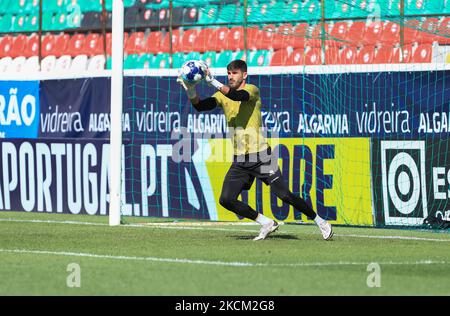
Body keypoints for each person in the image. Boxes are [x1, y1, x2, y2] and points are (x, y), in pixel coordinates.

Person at [177, 60, 333, 241]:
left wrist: (212, 80)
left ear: (244, 75)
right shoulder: (222, 95)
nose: (230, 76)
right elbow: (200, 106)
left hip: (262, 156)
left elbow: (237, 96)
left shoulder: (252, 90)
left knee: (284, 195)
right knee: (226, 199)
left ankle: (321, 221)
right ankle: (266, 222)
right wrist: (190, 89)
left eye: (234, 73)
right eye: (228, 73)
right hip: (241, 160)